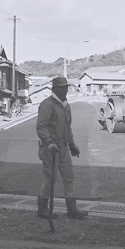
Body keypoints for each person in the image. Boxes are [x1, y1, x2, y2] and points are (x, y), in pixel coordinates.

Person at [36, 76, 88, 220]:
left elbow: (67, 128)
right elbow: (41, 127)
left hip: (63, 147)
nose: (65, 90)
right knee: (50, 179)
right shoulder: (47, 105)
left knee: (69, 177)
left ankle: (72, 209)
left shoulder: (65, 105)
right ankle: (42, 208)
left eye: (66, 87)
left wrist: (72, 145)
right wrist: (48, 142)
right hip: (50, 148)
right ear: (55, 89)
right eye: (63, 88)